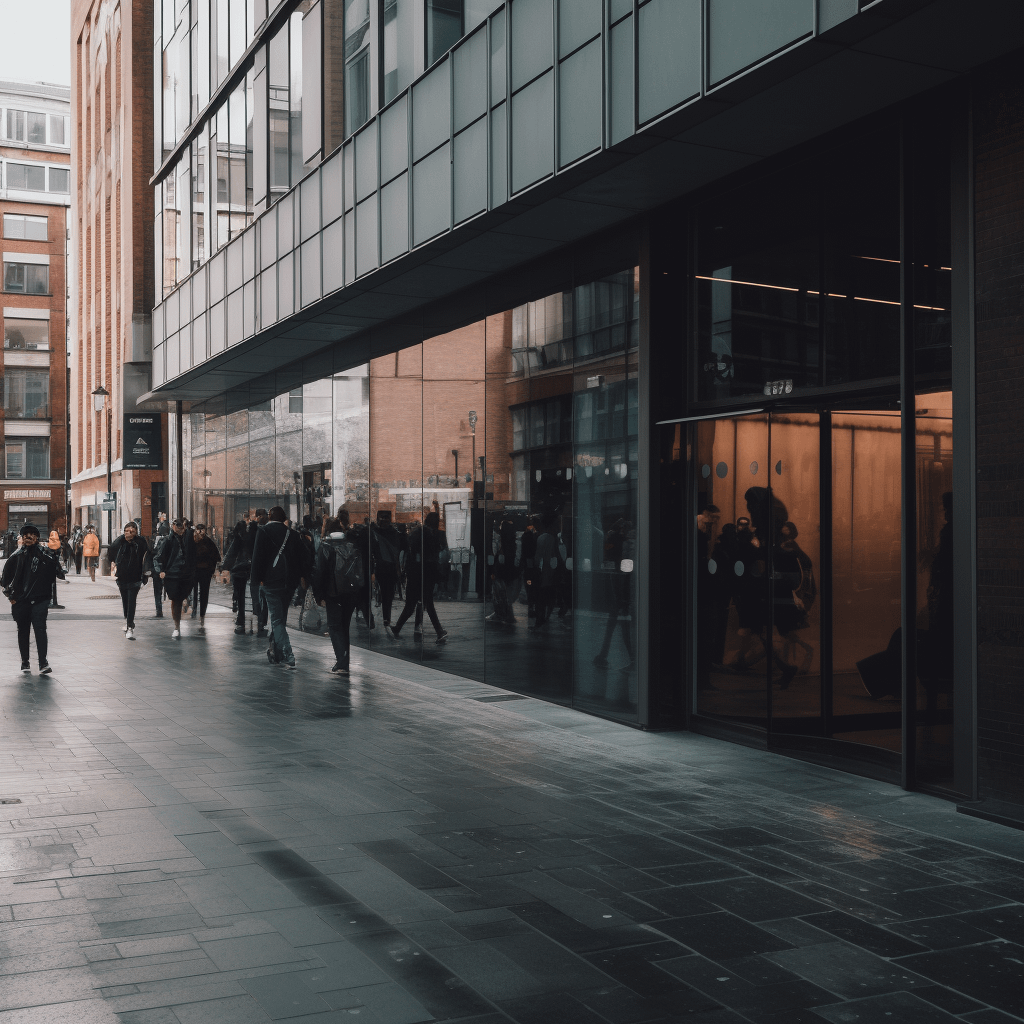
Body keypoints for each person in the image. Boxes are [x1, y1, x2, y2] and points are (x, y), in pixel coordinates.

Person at [1, 523, 65, 674]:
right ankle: (25, 661)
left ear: (37, 538)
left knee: (40, 630)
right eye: (25, 535)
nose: (28, 538)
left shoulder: (45, 555)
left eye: (31, 535)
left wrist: (56, 553)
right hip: (20, 601)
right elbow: (4, 580)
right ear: (22, 538)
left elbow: (58, 573)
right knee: (23, 631)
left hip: (40, 599)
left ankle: (43, 662)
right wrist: (11, 597)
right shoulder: (15, 556)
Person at [250, 505, 305, 668]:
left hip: (270, 582)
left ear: (269, 516)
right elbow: (301, 559)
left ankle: (288, 653)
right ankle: (276, 652)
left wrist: (256, 580)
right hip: (288, 583)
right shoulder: (293, 535)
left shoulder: (264, 532)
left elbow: (257, 557)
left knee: (277, 619)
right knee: (281, 617)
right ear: (284, 519)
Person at [313, 516, 364, 675]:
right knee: (345, 627)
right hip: (351, 592)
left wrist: (319, 594)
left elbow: (320, 572)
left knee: (335, 627)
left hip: (333, 593)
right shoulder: (352, 545)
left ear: (327, 530)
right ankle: (344, 662)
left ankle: (342, 664)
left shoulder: (326, 546)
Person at [392, 511, 447, 644]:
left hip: (417, 573)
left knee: (412, 604)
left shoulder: (420, 533)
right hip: (429, 574)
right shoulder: (436, 535)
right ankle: (438, 631)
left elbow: (413, 552)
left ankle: (398, 628)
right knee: (427, 603)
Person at [153, 518, 196, 638]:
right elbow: (158, 557)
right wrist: (161, 570)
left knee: (184, 596)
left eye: (183, 527)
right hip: (173, 575)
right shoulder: (167, 540)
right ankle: (177, 626)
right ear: (173, 526)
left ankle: (186, 602)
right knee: (176, 600)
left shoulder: (189, 539)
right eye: (178, 526)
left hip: (186, 574)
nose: (180, 529)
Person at [109, 522, 151, 640]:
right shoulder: (120, 541)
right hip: (122, 577)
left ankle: (129, 627)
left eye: (132, 531)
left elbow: (147, 556)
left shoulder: (141, 542)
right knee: (125, 601)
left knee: (131, 601)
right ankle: (129, 622)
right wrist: (123, 538)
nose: (130, 533)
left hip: (135, 577)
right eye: (127, 531)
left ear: (137, 531)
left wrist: (146, 573)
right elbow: (111, 552)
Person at [370, 510, 402, 635]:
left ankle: (386, 618)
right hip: (389, 567)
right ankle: (386, 618)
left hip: (383, 567)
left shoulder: (376, 533)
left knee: (385, 594)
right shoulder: (394, 533)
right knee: (388, 594)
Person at [222, 519, 255, 634]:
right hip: (252, 569)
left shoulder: (238, 537)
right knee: (255, 595)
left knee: (240, 594)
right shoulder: (254, 536)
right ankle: (260, 622)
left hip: (239, 568)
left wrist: (225, 567)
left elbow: (231, 553)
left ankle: (241, 620)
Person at [189, 523, 221, 631]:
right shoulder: (193, 541)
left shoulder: (208, 542)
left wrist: (212, 570)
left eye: (202, 530)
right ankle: (194, 609)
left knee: (204, 593)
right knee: (195, 591)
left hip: (204, 572)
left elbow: (216, 557)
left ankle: (202, 613)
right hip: (196, 571)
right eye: (199, 530)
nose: (200, 532)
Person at [46, 530, 65, 608]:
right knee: (52, 585)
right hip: (52, 568)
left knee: (50, 585)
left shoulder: (47, 547)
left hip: (48, 569)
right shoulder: (58, 547)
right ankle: (52, 601)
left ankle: (52, 601)